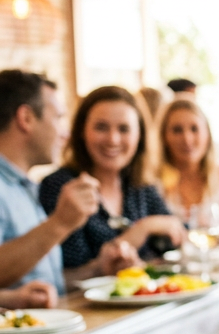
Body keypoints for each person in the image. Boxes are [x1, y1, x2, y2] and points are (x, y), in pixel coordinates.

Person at [0, 70, 135, 300]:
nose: (65, 133)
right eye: (58, 118)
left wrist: (97, 269)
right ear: (26, 118)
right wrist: (60, 223)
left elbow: (48, 285)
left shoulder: (24, 188)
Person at [39, 86, 182, 279]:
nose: (113, 139)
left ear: (139, 136)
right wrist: (139, 231)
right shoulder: (60, 186)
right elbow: (57, 277)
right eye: (101, 127)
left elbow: (178, 233)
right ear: (82, 131)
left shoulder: (139, 185)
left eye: (124, 129)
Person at [157, 98, 219, 219]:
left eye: (194, 129)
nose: (187, 139)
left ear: (207, 134)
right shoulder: (154, 180)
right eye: (177, 130)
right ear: (164, 136)